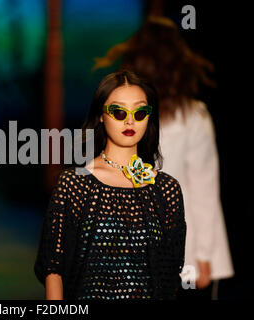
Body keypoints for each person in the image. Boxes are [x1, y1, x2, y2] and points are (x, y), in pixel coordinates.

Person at [92, 15, 234, 299]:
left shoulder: (119, 115)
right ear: (179, 63)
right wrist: (203, 255)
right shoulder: (193, 117)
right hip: (183, 249)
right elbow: (203, 190)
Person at [34, 70, 186, 300]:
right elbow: (54, 267)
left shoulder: (166, 190)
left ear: (149, 117)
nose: (130, 120)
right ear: (101, 115)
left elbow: (171, 273)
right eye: (118, 111)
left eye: (140, 111)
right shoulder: (75, 184)